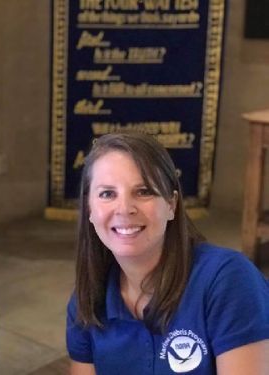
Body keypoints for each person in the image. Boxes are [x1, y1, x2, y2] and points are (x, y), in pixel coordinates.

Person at [66, 132, 269, 374]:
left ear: (171, 205)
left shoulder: (228, 279)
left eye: (143, 191)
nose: (124, 208)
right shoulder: (86, 301)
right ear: (89, 208)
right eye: (107, 194)